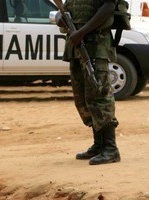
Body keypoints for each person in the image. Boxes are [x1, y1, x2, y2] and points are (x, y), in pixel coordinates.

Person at [55, 0, 121, 165]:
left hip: (95, 43)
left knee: (99, 95)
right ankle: (99, 145)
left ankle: (110, 149)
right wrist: (59, 17)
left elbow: (109, 6)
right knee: (83, 97)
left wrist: (83, 31)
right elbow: (66, 9)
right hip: (77, 45)